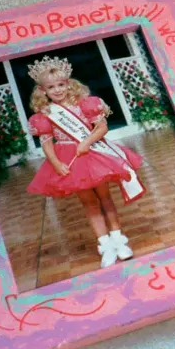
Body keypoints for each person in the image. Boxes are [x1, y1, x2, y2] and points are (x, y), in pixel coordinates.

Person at [24, 55, 145, 267]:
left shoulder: (85, 104)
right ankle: (105, 246)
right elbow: (46, 143)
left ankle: (119, 242)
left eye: (61, 85)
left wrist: (87, 142)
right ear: (43, 90)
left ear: (68, 84)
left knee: (105, 198)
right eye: (51, 87)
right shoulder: (45, 114)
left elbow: (102, 127)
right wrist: (55, 163)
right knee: (89, 203)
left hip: (92, 155)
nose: (58, 90)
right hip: (67, 160)